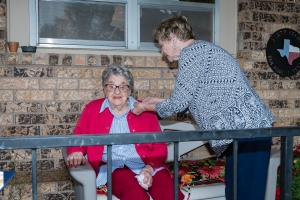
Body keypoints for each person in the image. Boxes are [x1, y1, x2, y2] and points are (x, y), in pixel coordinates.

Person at [132, 15, 274, 200]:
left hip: (249, 132)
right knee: (237, 193)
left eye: (161, 45)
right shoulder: (201, 50)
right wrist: (157, 101)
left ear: (173, 37)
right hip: (243, 134)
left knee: (245, 194)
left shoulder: (191, 53)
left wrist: (145, 108)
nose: (162, 52)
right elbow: (191, 101)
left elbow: (178, 103)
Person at [66, 64, 184, 200]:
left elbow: (159, 146)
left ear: (129, 90)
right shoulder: (92, 109)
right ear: (105, 89)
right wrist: (77, 150)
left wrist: (149, 168)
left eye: (122, 86)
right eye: (111, 86)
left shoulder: (144, 110)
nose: (117, 92)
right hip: (114, 167)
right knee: (135, 196)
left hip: (148, 165)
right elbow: (78, 137)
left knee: (170, 194)